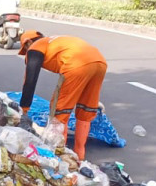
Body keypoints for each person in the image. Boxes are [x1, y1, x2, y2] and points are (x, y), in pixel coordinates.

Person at [18, 31, 107, 161]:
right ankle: (80, 157)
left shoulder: (35, 47)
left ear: (28, 43)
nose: (26, 53)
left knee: (60, 114)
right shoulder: (54, 42)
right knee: (85, 111)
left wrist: (24, 109)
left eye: (25, 50)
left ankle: (60, 158)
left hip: (76, 64)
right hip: (100, 63)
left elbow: (30, 80)